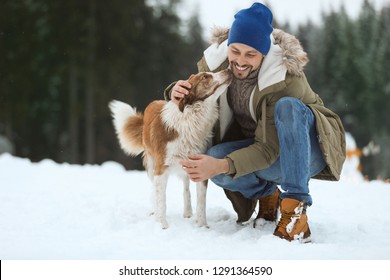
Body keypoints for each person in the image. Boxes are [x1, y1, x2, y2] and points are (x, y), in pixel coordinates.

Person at [164, 2, 346, 242]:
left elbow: (268, 149)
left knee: (288, 107)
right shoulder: (217, 67)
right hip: (263, 148)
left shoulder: (283, 77)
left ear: (264, 53)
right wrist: (173, 92)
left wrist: (221, 165)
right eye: (235, 51)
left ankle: (295, 213)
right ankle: (268, 195)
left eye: (251, 54)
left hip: (310, 148)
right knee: (214, 157)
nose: (240, 61)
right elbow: (196, 94)